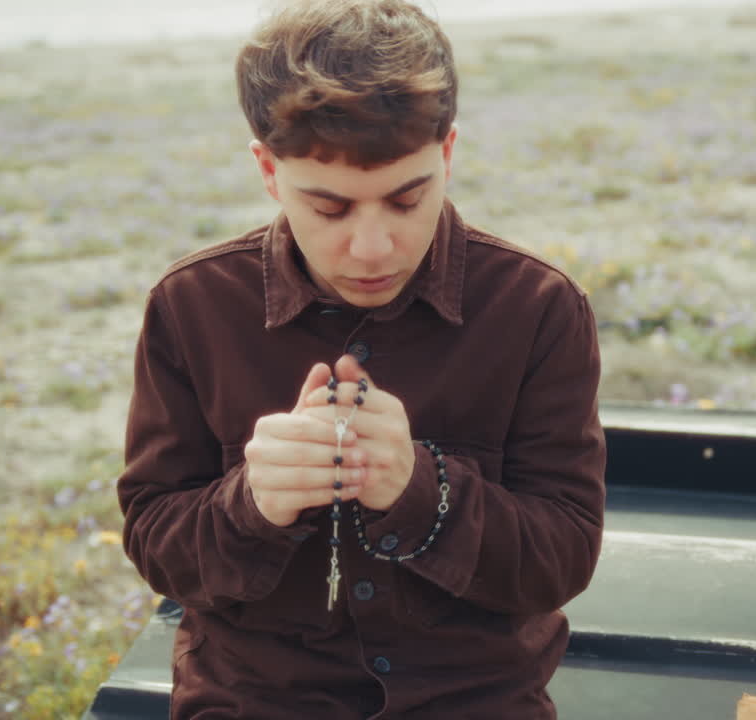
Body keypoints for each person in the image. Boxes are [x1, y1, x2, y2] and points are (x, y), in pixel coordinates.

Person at [116, 1, 607, 717]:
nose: (374, 250)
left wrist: (421, 490)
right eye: (330, 209)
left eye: (408, 200)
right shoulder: (192, 306)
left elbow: (562, 556)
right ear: (267, 170)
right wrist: (252, 504)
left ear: (447, 155)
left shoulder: (537, 308)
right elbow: (155, 540)